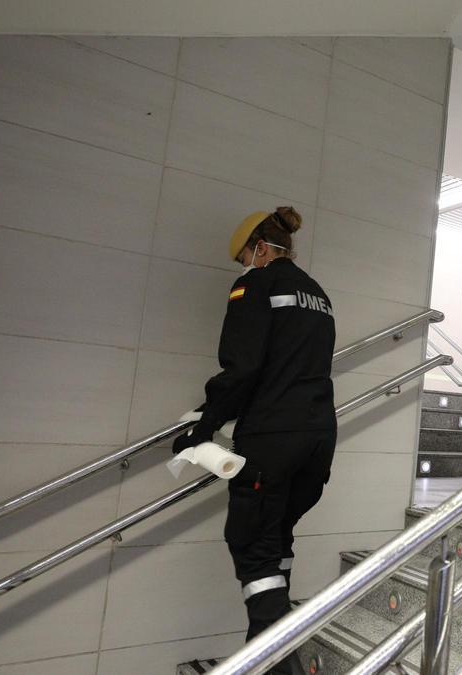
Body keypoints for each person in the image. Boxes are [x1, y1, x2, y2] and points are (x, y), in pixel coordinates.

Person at [174, 207, 338, 673]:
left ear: (261, 249)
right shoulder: (317, 292)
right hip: (317, 440)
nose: (244, 264)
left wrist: (202, 428)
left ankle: (279, 665)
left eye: (246, 255)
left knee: (251, 543)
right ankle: (261, 660)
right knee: (275, 540)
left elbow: (242, 366)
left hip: (272, 439)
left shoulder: (256, 285)